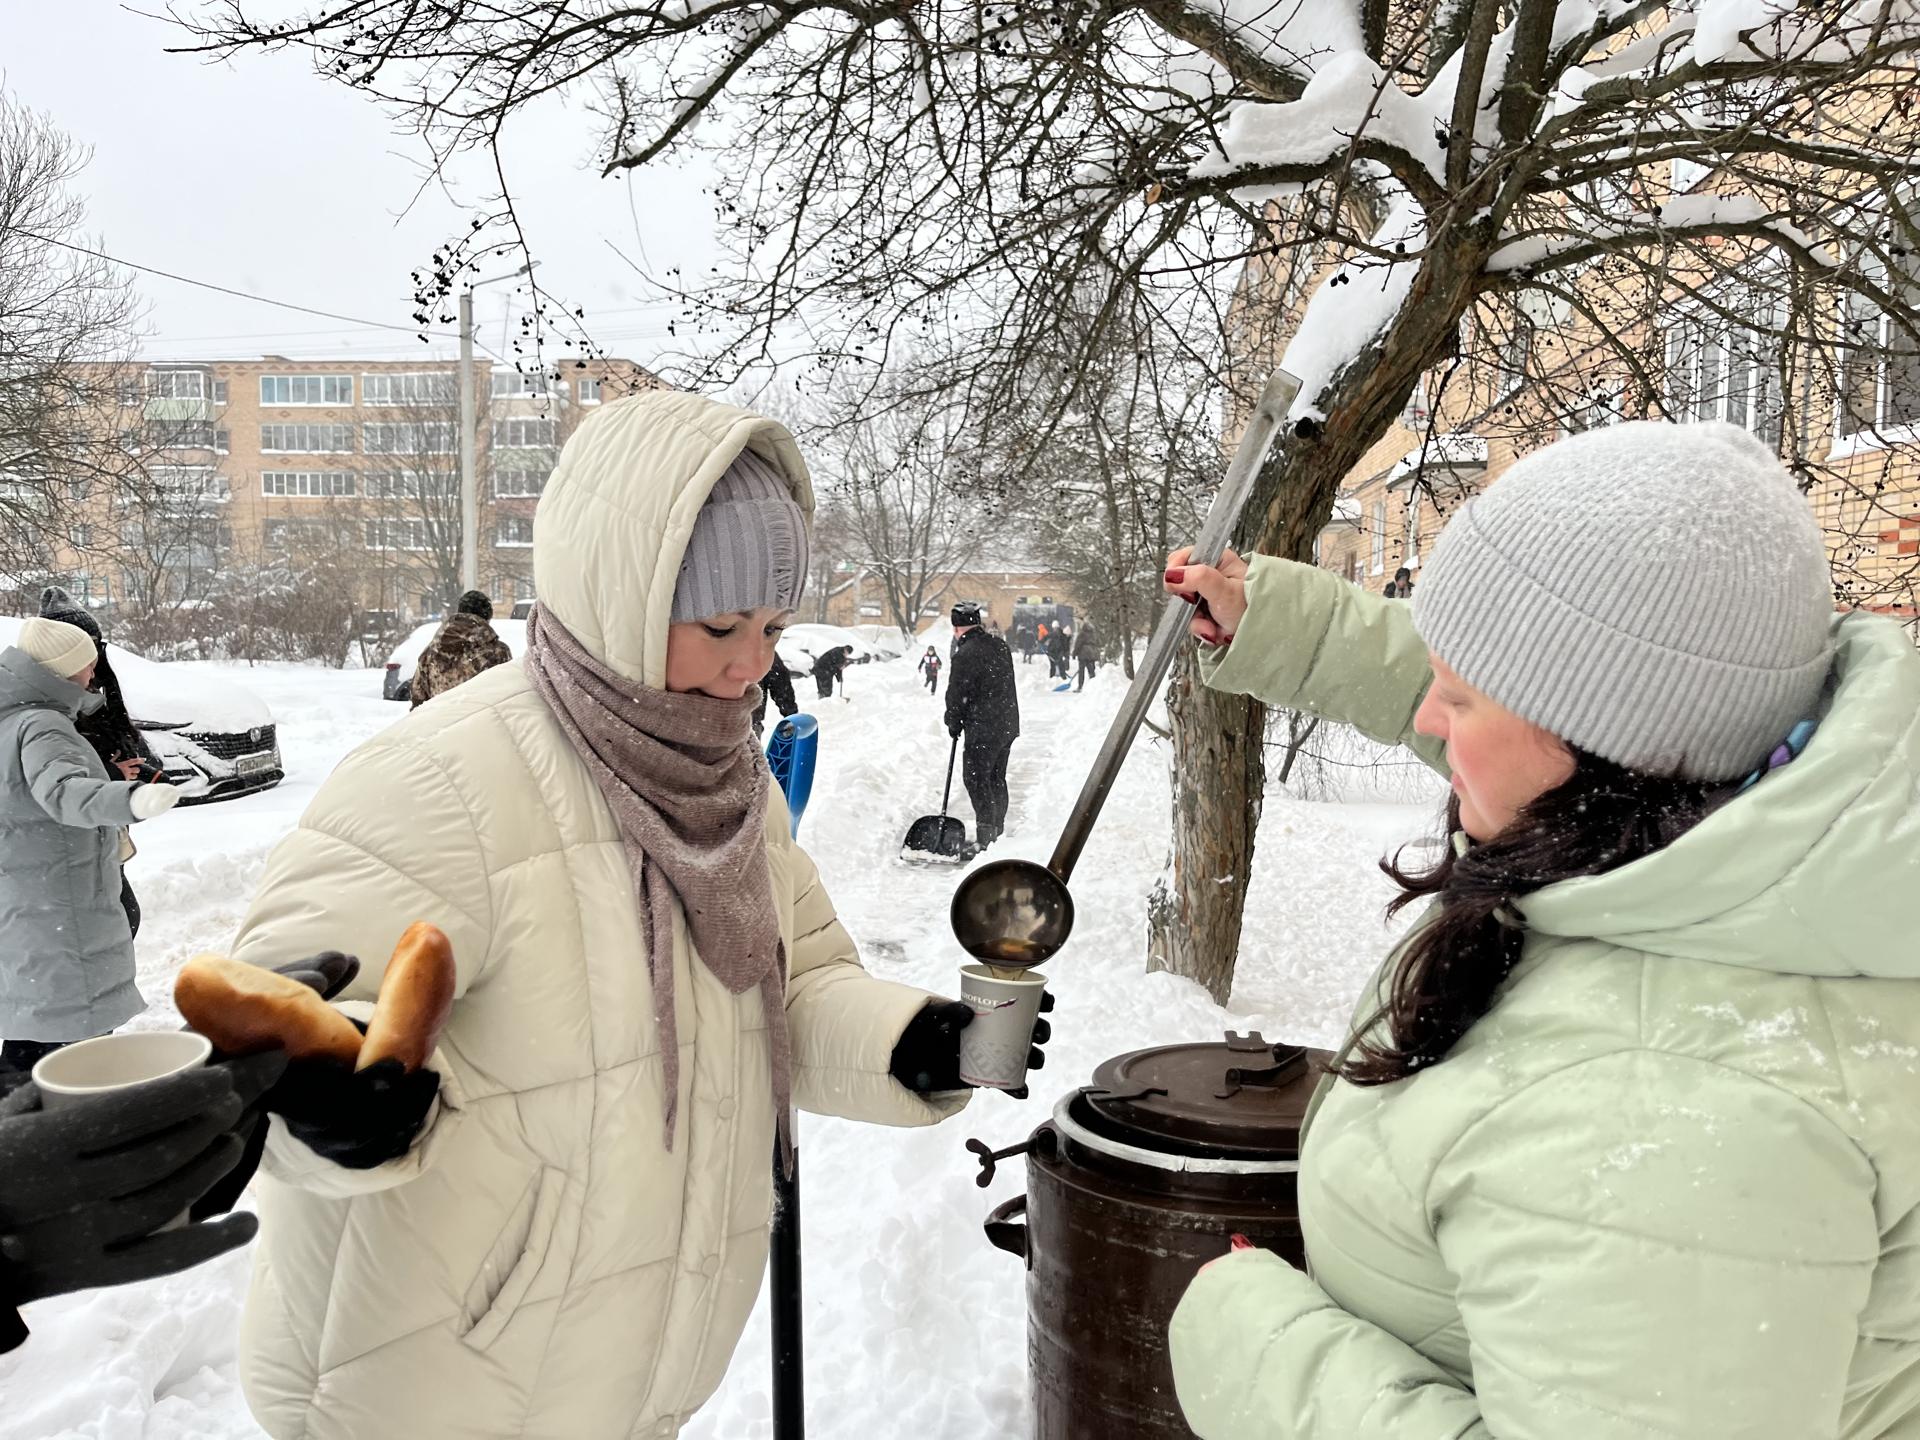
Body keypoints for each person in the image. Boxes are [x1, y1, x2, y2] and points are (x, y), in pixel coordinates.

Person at [218, 392, 1035, 1440]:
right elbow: (273, 1026)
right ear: (623, 596)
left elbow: (787, 986)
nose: (752, 664)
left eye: (773, 629)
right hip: (431, 1388)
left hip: (622, 1376)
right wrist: (332, 1098)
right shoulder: (443, 779)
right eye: (721, 625)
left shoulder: (732, 784)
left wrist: (915, 1043)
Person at [1161, 421, 1920, 1439]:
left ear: (1607, 742)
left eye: (1461, 698)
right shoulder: (1721, 821)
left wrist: (1251, 1347)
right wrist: (1284, 625)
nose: (1429, 720)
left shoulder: (1669, 1121)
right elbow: (1483, 681)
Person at [1, 619, 182, 1084]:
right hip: (59, 895)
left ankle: (23, 1112)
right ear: (63, 669)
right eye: (88, 664)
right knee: (71, 1043)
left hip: (29, 891)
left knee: (35, 1027)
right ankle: (63, 1118)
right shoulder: (43, 724)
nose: (93, 673)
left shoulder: (15, 717)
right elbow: (63, 790)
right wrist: (130, 799)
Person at [39, 585, 162, 937]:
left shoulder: (97, 676)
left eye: (95, 645)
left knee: (122, 915)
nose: (93, 662)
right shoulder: (45, 706)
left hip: (105, 821)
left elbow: (118, 726)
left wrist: (137, 767)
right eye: (85, 647)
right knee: (116, 917)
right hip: (73, 832)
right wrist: (110, 773)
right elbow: (54, 774)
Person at [944, 599, 1020, 850]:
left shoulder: (965, 654)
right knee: (996, 778)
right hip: (1006, 724)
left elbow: (957, 695)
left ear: (957, 628)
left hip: (983, 728)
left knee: (976, 779)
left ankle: (986, 836)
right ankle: (996, 830)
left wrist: (953, 721)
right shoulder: (1000, 646)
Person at [410, 589, 513, 709]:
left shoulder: (430, 654)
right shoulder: (498, 653)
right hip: (482, 719)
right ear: (487, 618)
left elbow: (417, 700)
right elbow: (508, 699)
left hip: (440, 719)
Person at [752, 653, 798, 737]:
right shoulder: (760, 649)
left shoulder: (759, 650)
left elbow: (779, 679)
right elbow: (780, 682)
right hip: (748, 720)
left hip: (744, 718)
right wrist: (791, 713)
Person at [1072, 621, 1099, 691]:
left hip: (1083, 654)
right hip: (1091, 654)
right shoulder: (1093, 634)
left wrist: (1074, 653)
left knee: (1081, 671)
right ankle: (1094, 686)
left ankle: (1080, 686)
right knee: (1091, 670)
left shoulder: (1082, 634)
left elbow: (1078, 644)